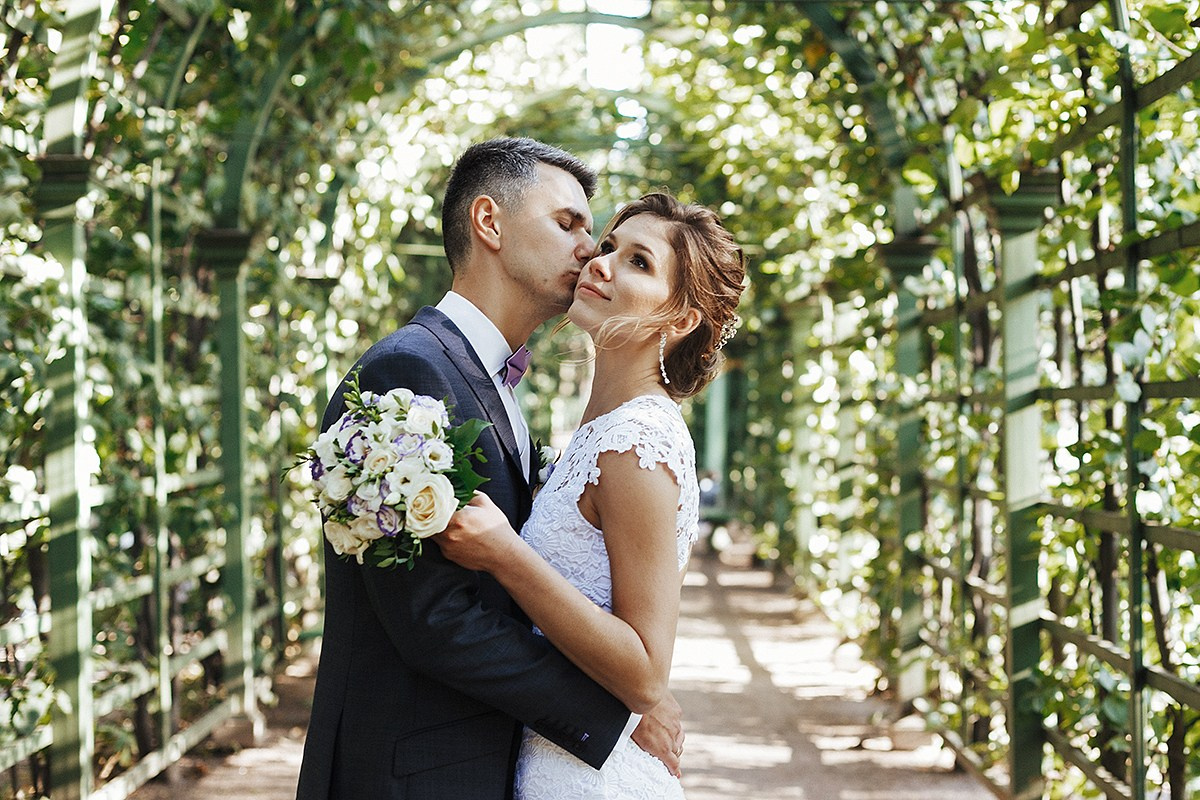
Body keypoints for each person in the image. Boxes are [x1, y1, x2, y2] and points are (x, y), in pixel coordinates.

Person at [295, 139, 683, 800]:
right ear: (489, 223)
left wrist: (627, 682)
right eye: (568, 224)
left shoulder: (490, 382)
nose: (591, 252)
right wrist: (612, 710)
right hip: (408, 774)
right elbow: (435, 617)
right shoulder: (407, 374)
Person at [437, 192, 747, 798]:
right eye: (608, 246)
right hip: (558, 756)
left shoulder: (637, 443)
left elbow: (646, 673)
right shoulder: (603, 428)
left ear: (681, 319)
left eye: (639, 262)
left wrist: (504, 554)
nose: (600, 263)